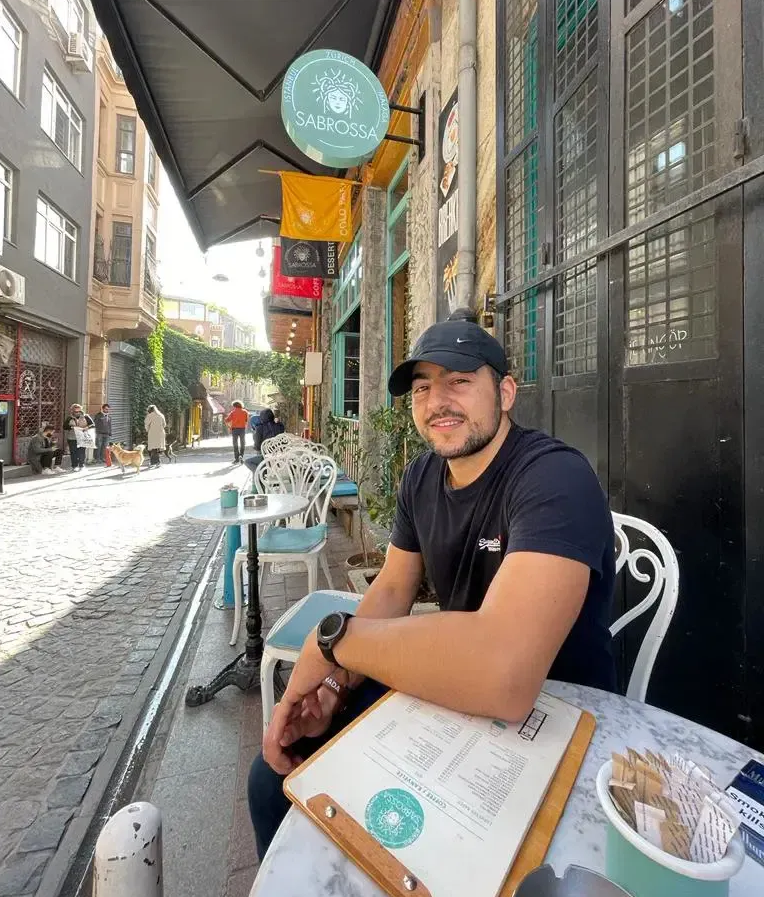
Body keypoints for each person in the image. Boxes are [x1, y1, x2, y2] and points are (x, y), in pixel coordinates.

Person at [247, 312, 616, 859]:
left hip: (556, 717)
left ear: (506, 392)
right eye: (423, 387)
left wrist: (333, 642)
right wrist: (334, 687)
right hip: (454, 697)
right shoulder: (422, 477)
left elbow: (505, 674)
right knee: (274, 778)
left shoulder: (553, 478)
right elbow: (393, 590)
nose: (438, 401)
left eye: (460, 381)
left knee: (429, 846)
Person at [245, 407, 285, 471]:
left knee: (248, 462)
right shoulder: (280, 426)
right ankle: (264, 472)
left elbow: (257, 446)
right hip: (280, 455)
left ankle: (260, 475)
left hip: (267, 456)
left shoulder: (259, 428)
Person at [63, 404, 94, 471]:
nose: (77, 413)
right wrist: (72, 427)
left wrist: (87, 427)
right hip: (72, 437)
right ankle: (74, 466)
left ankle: (81, 465)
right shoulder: (69, 418)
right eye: (75, 411)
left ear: (81, 411)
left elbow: (93, 425)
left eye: (79, 411)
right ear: (72, 411)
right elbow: (64, 427)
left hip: (82, 437)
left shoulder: (86, 416)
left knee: (81, 452)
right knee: (73, 452)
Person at [225, 399, 249, 464]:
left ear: (234, 406)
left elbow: (226, 420)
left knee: (235, 444)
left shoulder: (232, 412)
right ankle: (241, 455)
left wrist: (229, 427)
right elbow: (246, 421)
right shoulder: (245, 412)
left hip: (234, 429)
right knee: (242, 443)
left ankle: (236, 459)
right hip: (242, 429)